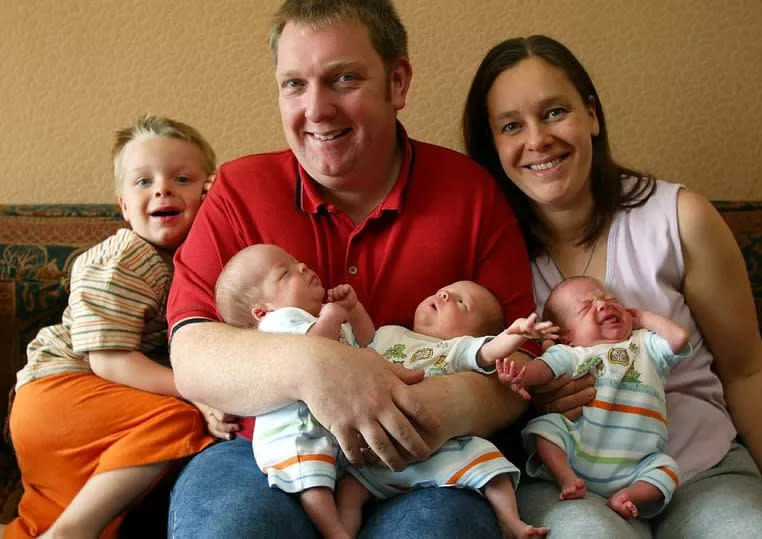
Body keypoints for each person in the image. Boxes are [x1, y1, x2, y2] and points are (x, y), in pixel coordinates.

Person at [166, 1, 539, 536]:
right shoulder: (238, 191)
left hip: (424, 459)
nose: (316, 110)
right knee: (231, 525)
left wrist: (430, 407)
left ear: (398, 81)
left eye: (343, 79)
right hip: (265, 452)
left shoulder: (472, 194)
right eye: (294, 84)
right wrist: (320, 368)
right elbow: (193, 354)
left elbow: (522, 363)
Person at [463, 34, 762, 536]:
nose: (537, 139)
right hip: (571, 484)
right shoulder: (490, 252)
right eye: (511, 125)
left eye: (555, 112)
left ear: (592, 116)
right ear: (493, 148)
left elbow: (748, 371)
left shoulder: (678, 216)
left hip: (702, 471)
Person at [214, 243, 556, 538]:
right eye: (443, 290)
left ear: (472, 331)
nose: (444, 294)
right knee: (349, 489)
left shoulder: (455, 349)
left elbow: (488, 352)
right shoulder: (389, 333)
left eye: (462, 303)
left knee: (488, 462)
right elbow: (367, 339)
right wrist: (352, 310)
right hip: (364, 452)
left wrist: (515, 334)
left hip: (431, 444)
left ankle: (510, 520)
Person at [4, 115, 224, 539]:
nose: (162, 188)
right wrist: (198, 391)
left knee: (43, 520)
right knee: (180, 421)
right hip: (61, 389)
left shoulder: (190, 262)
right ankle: (75, 531)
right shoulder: (125, 256)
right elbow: (109, 361)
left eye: (182, 178)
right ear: (122, 204)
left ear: (209, 191)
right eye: (143, 182)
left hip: (77, 411)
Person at [497, 276, 691, 520]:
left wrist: (641, 318)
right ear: (567, 336)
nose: (603, 305)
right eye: (586, 307)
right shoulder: (573, 353)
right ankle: (566, 477)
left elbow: (679, 338)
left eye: (611, 300)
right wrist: (520, 376)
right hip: (580, 450)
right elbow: (543, 369)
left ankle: (630, 496)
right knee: (545, 430)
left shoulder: (646, 345)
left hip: (639, 462)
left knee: (667, 470)